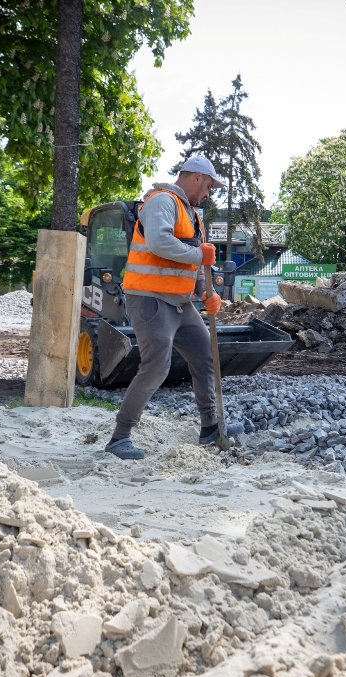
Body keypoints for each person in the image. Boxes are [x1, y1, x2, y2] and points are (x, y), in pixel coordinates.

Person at [105, 156, 243, 460]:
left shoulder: (193, 213)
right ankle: (119, 438)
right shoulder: (161, 201)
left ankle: (210, 427)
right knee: (156, 367)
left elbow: (198, 261)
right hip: (150, 298)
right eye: (207, 186)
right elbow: (159, 242)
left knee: (204, 355)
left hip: (180, 303)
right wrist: (198, 256)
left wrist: (205, 293)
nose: (208, 193)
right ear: (195, 178)